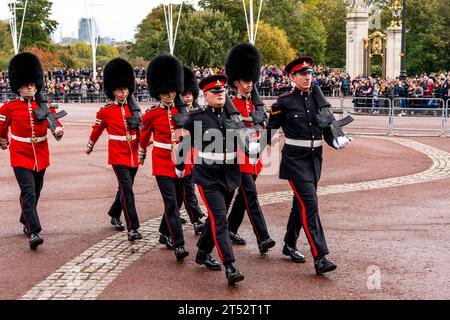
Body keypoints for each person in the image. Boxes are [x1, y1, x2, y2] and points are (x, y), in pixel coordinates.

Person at [266, 56, 350, 275]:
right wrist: (256, 146)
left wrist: (336, 141)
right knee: (310, 205)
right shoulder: (283, 102)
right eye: (302, 74)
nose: (307, 78)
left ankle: (289, 243)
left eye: (309, 74)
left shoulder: (317, 99)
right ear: (293, 77)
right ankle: (320, 256)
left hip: (315, 158)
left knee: (300, 204)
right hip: (294, 160)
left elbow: (326, 128)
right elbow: (270, 128)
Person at [177, 74, 260, 285]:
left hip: (231, 173)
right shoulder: (195, 117)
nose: (220, 95)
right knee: (220, 219)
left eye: (222, 91)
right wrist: (179, 166)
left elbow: (243, 141)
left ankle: (203, 252)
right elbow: (184, 146)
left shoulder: (233, 116)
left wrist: (252, 150)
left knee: (215, 218)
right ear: (206, 95)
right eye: (215, 92)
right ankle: (230, 265)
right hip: (207, 175)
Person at [0, 52, 65, 250]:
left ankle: (24, 217)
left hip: (41, 153)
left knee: (35, 191)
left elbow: (55, 123)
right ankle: (34, 230)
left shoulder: (43, 105)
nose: (30, 87)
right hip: (20, 153)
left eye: (33, 84)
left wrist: (58, 130)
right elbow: (2, 128)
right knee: (28, 191)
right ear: (19, 86)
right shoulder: (8, 108)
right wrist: (3, 139)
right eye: (27, 84)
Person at [224, 43, 276, 254]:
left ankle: (228, 228)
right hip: (238, 155)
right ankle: (263, 237)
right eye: (246, 81)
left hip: (255, 156)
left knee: (240, 198)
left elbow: (264, 126)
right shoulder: (230, 103)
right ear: (236, 81)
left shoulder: (256, 103)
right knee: (251, 195)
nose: (249, 85)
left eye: (251, 80)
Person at [85, 58, 143, 242]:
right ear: (112, 90)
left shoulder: (134, 109)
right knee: (127, 190)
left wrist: (143, 146)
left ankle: (114, 213)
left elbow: (141, 129)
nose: (123, 92)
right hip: (117, 153)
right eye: (119, 89)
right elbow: (97, 129)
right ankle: (133, 228)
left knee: (125, 189)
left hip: (133, 152)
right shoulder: (106, 111)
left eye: (125, 88)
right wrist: (90, 144)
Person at [139, 54, 189, 261]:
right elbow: (143, 136)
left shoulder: (183, 111)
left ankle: (163, 232)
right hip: (161, 161)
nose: (169, 94)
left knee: (177, 202)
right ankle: (178, 244)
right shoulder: (151, 114)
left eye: (172, 90)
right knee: (170, 203)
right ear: (158, 92)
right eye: (165, 91)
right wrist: (141, 152)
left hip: (181, 160)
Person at [181, 66, 206, 235]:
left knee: (184, 190)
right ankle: (196, 219)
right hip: (181, 155)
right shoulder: (175, 112)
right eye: (184, 94)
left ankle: (171, 216)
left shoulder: (199, 111)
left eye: (189, 94)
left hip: (197, 154)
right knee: (187, 188)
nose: (187, 97)